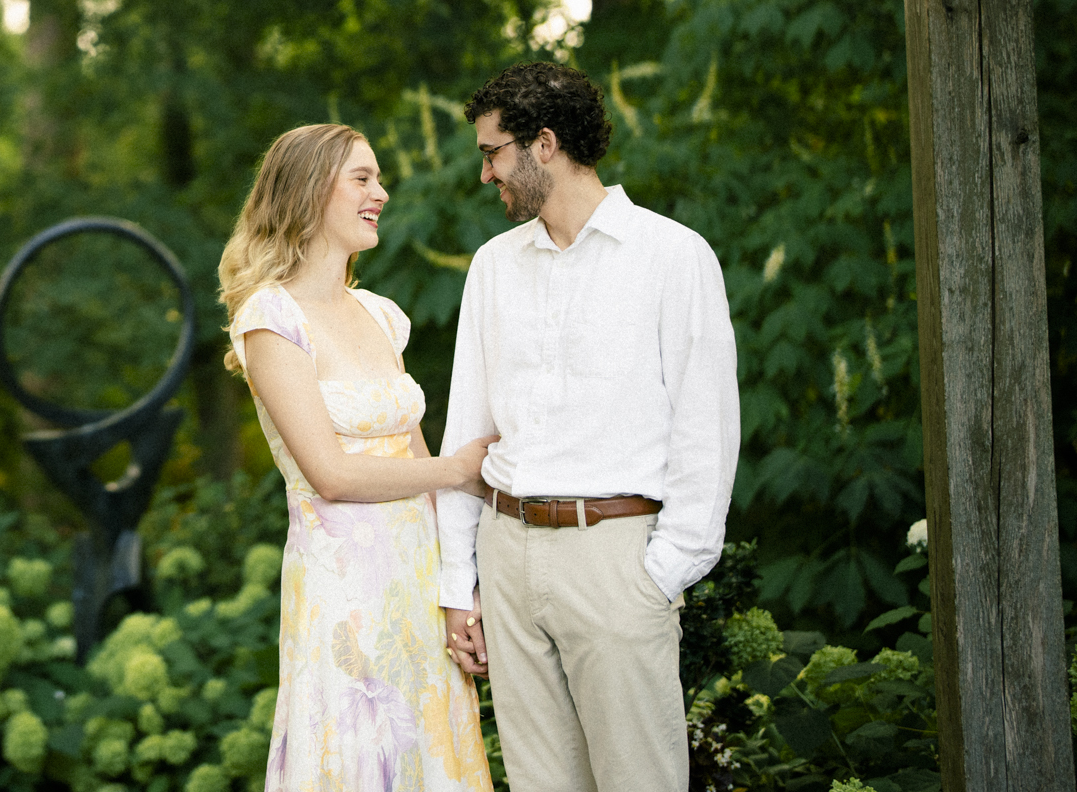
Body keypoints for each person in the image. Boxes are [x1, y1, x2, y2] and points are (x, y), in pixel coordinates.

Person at [435, 63, 739, 792]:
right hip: (506, 556)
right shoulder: (493, 265)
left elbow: (708, 430)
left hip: (616, 558)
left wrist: (662, 573)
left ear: (544, 144)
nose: (485, 175)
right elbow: (465, 431)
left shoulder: (672, 256)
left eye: (492, 153)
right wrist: (459, 583)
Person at [223, 123, 496, 792]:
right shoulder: (270, 318)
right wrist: (461, 466)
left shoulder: (381, 315)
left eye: (378, 178)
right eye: (363, 178)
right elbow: (333, 474)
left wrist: (460, 592)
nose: (382, 192)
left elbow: (415, 455)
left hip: (419, 582)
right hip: (344, 596)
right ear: (312, 190)